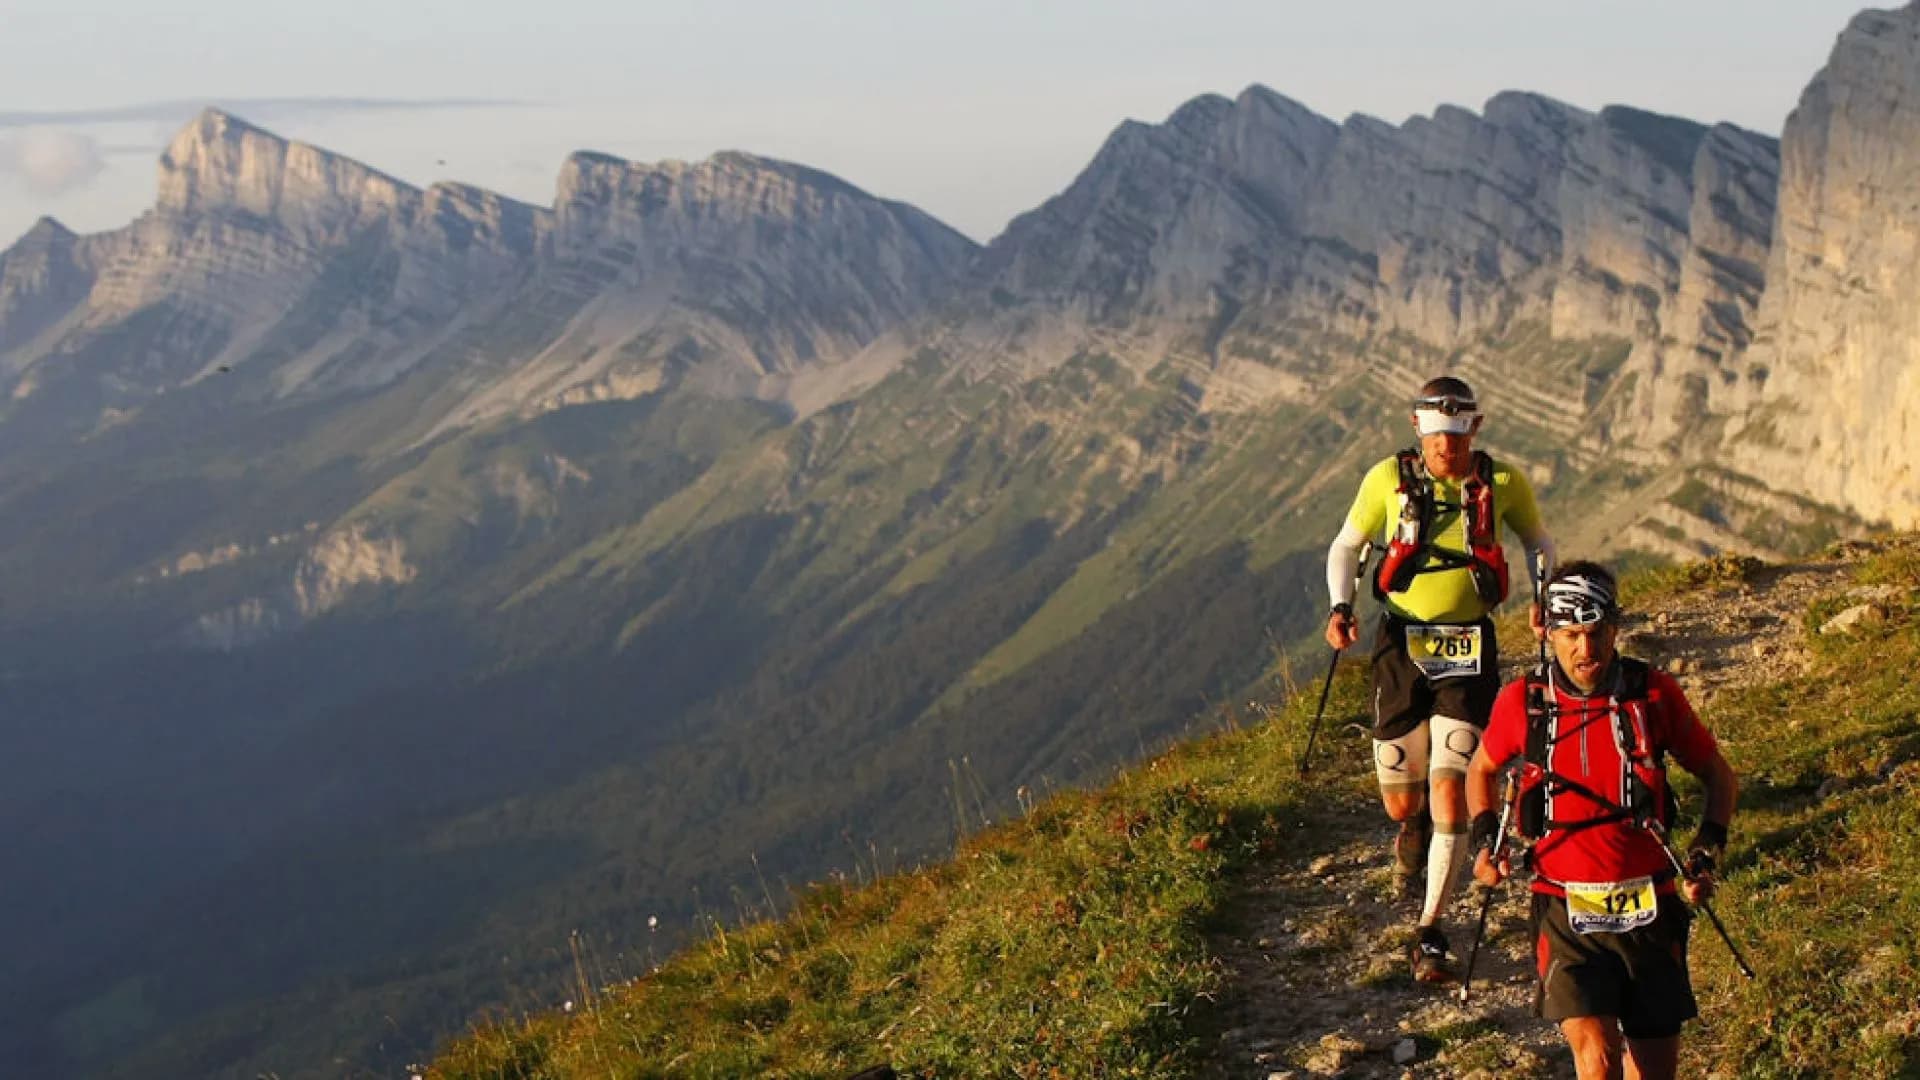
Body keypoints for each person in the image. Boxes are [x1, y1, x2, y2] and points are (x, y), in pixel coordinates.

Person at [1467, 561, 1738, 1080]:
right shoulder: (1522, 703)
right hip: (1564, 906)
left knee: (1654, 1070)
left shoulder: (1654, 694)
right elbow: (1480, 769)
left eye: (1597, 633)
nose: (1585, 650)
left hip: (1652, 906)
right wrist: (1485, 839)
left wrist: (1707, 852)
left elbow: (1719, 778)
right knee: (1597, 1058)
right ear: (1547, 631)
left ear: (1615, 627)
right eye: (1571, 635)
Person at [1323, 375, 1555, 982]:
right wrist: (1340, 606)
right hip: (1400, 643)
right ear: (1418, 432)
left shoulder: (1502, 483)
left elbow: (1537, 541)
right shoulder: (1386, 480)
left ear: (1473, 430)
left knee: (1452, 783)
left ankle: (1429, 930)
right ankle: (1413, 827)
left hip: (1470, 644)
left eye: (1455, 440)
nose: (1446, 452)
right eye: (1435, 441)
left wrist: (1544, 597)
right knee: (1404, 799)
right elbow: (1347, 545)